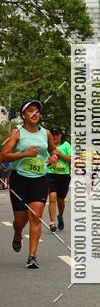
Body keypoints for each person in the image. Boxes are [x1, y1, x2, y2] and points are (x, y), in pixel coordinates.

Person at [0, 100, 57, 268]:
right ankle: (17, 232)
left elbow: (53, 150)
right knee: (20, 220)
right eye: (30, 111)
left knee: (36, 217)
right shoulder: (17, 133)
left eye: (37, 111)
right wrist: (24, 154)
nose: (35, 113)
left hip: (39, 179)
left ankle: (32, 256)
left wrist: (53, 157)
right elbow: (3, 156)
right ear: (23, 115)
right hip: (19, 179)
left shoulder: (45, 133)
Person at [46, 126, 72, 232]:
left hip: (64, 176)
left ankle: (60, 216)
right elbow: (43, 158)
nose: (55, 136)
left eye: (57, 134)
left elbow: (71, 160)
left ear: (61, 135)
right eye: (52, 134)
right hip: (50, 175)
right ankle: (52, 223)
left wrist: (60, 154)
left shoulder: (66, 145)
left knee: (61, 200)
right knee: (52, 197)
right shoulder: (47, 147)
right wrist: (49, 159)